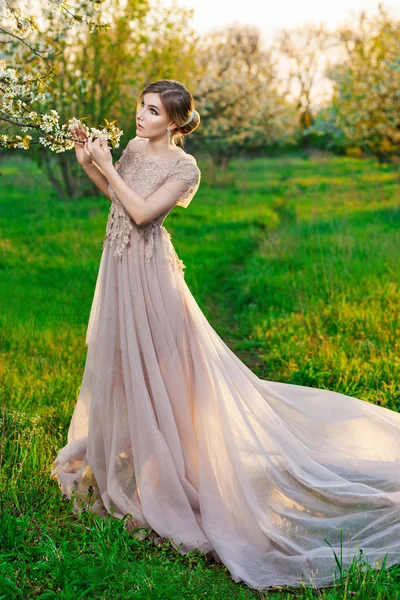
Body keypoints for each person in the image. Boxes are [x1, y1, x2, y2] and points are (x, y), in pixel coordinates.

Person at [51, 79, 400, 592]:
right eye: (140, 108)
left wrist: (104, 168)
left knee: (167, 373)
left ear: (174, 122)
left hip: (152, 276)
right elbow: (118, 200)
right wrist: (91, 164)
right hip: (120, 267)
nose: (141, 118)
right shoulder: (129, 148)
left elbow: (146, 214)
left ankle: (176, 472)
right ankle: (132, 457)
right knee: (121, 363)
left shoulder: (184, 167)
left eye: (152, 112)